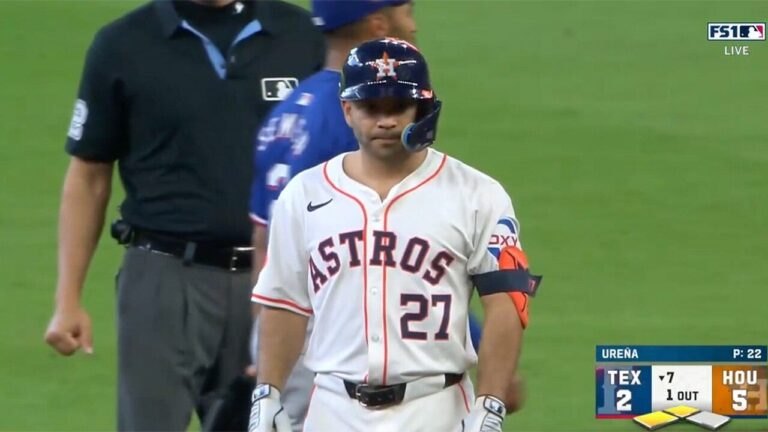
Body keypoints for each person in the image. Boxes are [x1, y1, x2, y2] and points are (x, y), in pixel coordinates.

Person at [43, 0, 323, 430]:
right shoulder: (123, 43)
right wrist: (68, 299)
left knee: (271, 424)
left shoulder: (302, 35)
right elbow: (88, 174)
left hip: (279, 278)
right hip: (163, 279)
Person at [248, 38, 540, 432]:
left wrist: (490, 402)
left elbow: (506, 302)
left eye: (397, 108)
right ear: (347, 110)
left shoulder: (477, 195)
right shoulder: (303, 195)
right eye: (371, 108)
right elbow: (284, 302)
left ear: (421, 108)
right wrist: (269, 392)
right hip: (332, 410)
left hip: (437, 409)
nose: (385, 121)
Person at [247, 2, 415, 430]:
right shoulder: (365, 119)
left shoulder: (286, 111)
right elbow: (402, 250)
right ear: (381, 27)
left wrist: (264, 342)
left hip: (288, 331)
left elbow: (264, 241)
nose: (414, 26)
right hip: (341, 341)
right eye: (408, 13)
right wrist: (476, 340)